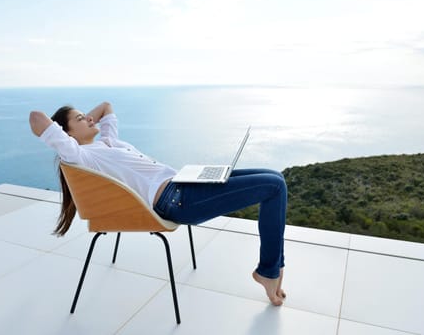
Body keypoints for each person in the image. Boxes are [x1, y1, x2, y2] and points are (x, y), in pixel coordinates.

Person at [29, 102, 287, 305]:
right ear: (67, 135)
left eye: (86, 115)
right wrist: (66, 135)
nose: (87, 118)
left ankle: (273, 267)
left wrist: (85, 120)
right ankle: (269, 270)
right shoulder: (80, 155)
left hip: (183, 183)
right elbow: (36, 118)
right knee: (274, 187)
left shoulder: (108, 142)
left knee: (275, 176)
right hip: (177, 201)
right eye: (79, 119)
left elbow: (106, 106)